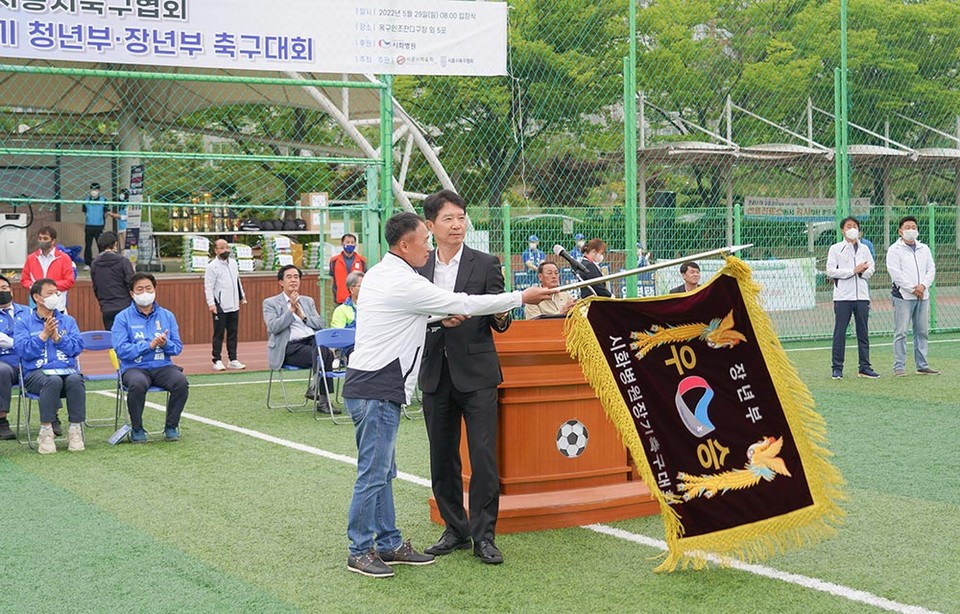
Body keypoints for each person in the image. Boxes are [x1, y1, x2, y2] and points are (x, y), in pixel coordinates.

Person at [341, 212, 555, 578]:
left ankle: (389, 542)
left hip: (375, 384)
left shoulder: (384, 272)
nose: (428, 245)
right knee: (374, 473)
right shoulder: (404, 280)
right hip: (377, 387)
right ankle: (360, 549)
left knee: (384, 470)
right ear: (405, 245)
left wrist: (439, 319)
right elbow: (466, 303)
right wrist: (523, 295)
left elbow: (406, 317)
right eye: (424, 239)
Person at [417, 190, 512, 566]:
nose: (457, 225)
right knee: (442, 458)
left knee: (484, 458)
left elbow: (499, 316)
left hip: (477, 375)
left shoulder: (486, 263)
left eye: (461, 218)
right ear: (430, 225)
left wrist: (502, 314)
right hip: (434, 374)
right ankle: (455, 528)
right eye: (448, 219)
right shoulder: (417, 267)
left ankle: (484, 536)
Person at [112, 273, 189, 443]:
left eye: (149, 288)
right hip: (134, 368)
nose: (145, 292)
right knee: (137, 383)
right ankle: (137, 428)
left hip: (162, 366)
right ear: (132, 293)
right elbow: (121, 350)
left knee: (180, 382)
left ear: (155, 291)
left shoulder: (167, 315)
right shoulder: (122, 318)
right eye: (140, 289)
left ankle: (171, 426)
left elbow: (177, 347)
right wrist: (149, 345)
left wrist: (164, 344)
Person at [14, 278, 86, 454]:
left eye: (57, 293)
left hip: (66, 372)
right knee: (52, 380)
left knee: (76, 379)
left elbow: (77, 347)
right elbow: (22, 351)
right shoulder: (24, 322)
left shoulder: (68, 321)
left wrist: (58, 339)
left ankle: (75, 430)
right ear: (37, 297)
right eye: (50, 293)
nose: (55, 296)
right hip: (36, 374)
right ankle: (46, 431)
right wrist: (43, 336)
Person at [263, 264, 336, 408]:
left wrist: (302, 316)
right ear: (281, 282)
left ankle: (316, 389)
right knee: (324, 354)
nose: (293, 280)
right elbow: (274, 327)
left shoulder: (307, 301)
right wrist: (291, 311)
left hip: (311, 342)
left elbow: (320, 324)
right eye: (289, 277)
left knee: (323, 350)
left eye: (296, 277)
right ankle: (323, 400)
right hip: (289, 347)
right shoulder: (270, 303)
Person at [826, 216, 879, 380]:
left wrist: (863, 272)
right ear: (842, 230)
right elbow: (831, 271)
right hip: (843, 297)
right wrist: (852, 271)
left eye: (854, 226)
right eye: (849, 226)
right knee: (840, 333)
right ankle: (837, 368)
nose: (852, 228)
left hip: (862, 296)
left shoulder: (865, 249)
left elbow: (871, 269)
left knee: (863, 332)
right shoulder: (836, 249)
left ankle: (865, 367)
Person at [886, 215, 938, 376]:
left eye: (913, 227)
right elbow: (895, 273)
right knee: (901, 332)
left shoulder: (924, 248)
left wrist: (923, 286)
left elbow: (931, 269)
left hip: (923, 296)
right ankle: (899, 366)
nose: (911, 230)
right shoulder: (894, 250)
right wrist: (911, 288)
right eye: (907, 227)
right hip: (903, 296)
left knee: (922, 331)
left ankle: (922, 365)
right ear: (900, 231)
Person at [205, 239, 247, 371]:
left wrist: (242, 296)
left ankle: (233, 359)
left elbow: (237, 280)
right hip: (220, 306)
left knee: (233, 334)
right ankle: (217, 360)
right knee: (219, 334)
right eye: (222, 248)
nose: (225, 250)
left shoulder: (233, 263)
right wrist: (211, 304)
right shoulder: (212, 266)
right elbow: (208, 286)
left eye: (227, 247)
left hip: (234, 305)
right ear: (216, 250)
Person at [21, 226, 75, 311]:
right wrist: (35, 287)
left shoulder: (64, 258)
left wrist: (48, 288)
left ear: (53, 241)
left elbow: (69, 281)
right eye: (40, 238)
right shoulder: (31, 258)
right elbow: (24, 280)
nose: (42, 241)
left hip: (57, 306)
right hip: (35, 305)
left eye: (45, 238)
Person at [90, 231, 135, 330]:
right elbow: (132, 284)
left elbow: (96, 287)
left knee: (112, 339)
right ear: (115, 244)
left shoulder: (94, 263)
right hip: (125, 306)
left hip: (106, 308)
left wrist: (102, 303)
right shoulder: (123, 261)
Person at [0, 275, 26, 441]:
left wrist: (13, 342)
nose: (1, 292)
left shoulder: (29, 312)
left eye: (4, 288)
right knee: (1, 371)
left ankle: (52, 418)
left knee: (48, 368)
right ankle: (2, 421)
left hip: (28, 360)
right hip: (4, 362)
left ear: (11, 290)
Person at [83, 182, 119, 267]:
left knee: (101, 244)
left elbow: (106, 212)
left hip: (99, 226)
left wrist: (101, 219)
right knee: (88, 245)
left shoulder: (103, 200)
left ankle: (101, 261)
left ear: (99, 190)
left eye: (96, 189)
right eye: (92, 189)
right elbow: (84, 212)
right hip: (89, 226)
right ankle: (88, 263)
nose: (94, 191)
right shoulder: (86, 200)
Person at [330, 233, 366, 305]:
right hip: (340, 300)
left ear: (355, 244)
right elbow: (332, 279)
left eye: (352, 242)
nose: (350, 244)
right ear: (342, 244)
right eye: (347, 242)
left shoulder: (362, 260)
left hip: (358, 300)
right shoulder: (334, 260)